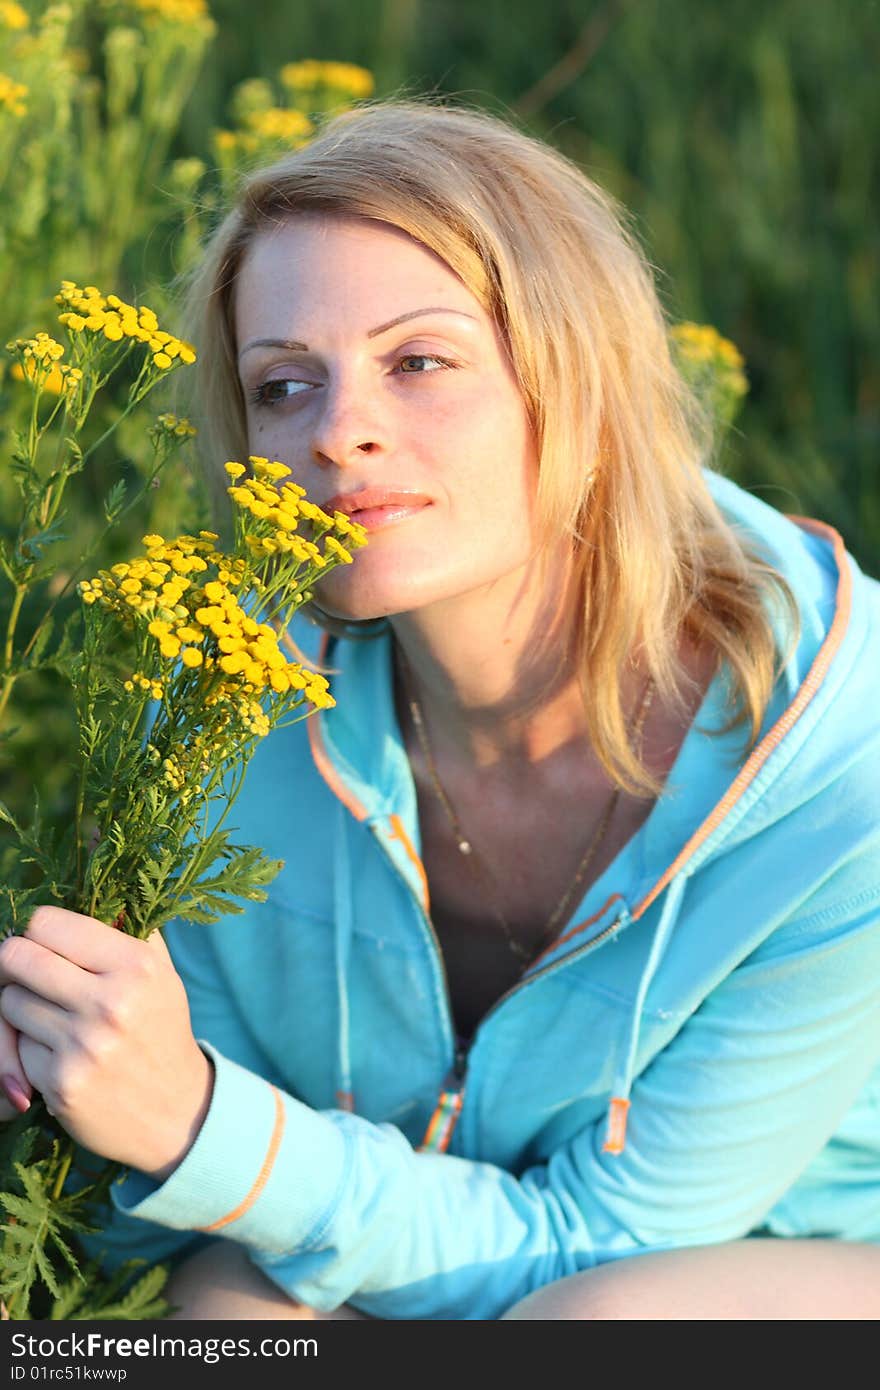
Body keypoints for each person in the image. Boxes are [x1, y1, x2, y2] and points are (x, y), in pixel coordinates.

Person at [1, 99, 880, 1321]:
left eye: (418, 361)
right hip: (400, 1222)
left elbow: (600, 1248)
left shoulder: (846, 772)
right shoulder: (215, 697)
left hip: (790, 1260)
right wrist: (66, 1055)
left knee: (598, 1329)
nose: (338, 433)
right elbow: (151, 1188)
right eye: (283, 384)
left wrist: (201, 1119)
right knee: (229, 1309)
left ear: (571, 375)